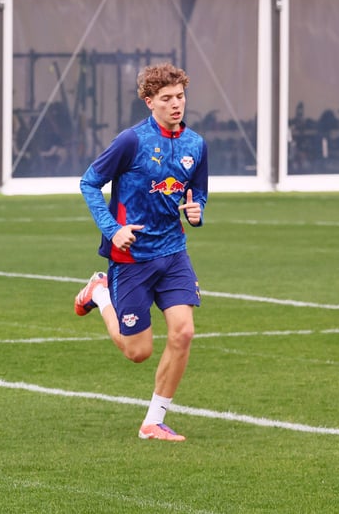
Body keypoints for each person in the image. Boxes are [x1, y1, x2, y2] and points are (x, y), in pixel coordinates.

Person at [75, 62, 207, 442]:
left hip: (174, 253)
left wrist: (197, 213)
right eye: (166, 99)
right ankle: (99, 292)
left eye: (180, 96)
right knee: (139, 352)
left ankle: (153, 421)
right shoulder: (130, 141)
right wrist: (113, 230)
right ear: (149, 102)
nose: (175, 105)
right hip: (132, 259)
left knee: (183, 332)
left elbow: (197, 195)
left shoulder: (196, 145)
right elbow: (89, 182)